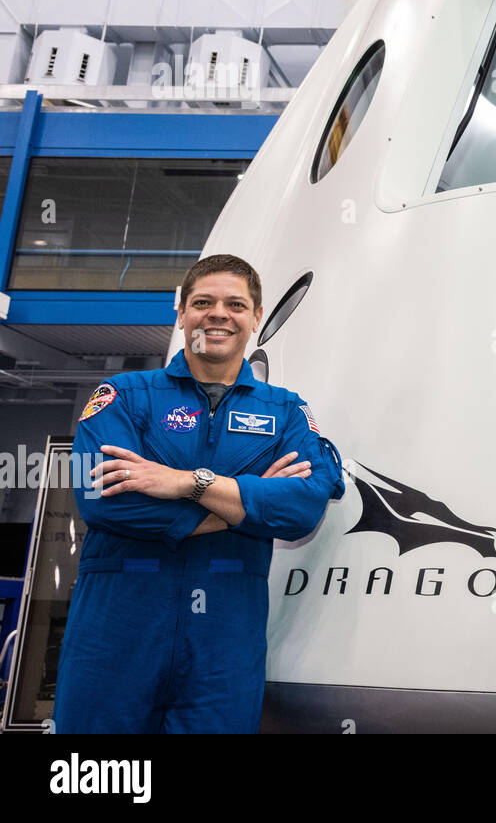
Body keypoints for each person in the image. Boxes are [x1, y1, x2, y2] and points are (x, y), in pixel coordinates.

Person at [52, 253, 344, 733]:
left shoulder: (287, 412)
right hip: (116, 631)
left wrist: (188, 482)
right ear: (182, 313)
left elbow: (302, 508)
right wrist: (249, 505)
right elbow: (101, 498)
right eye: (203, 302)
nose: (218, 314)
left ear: (255, 317)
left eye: (235, 304)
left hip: (224, 641)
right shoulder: (123, 395)